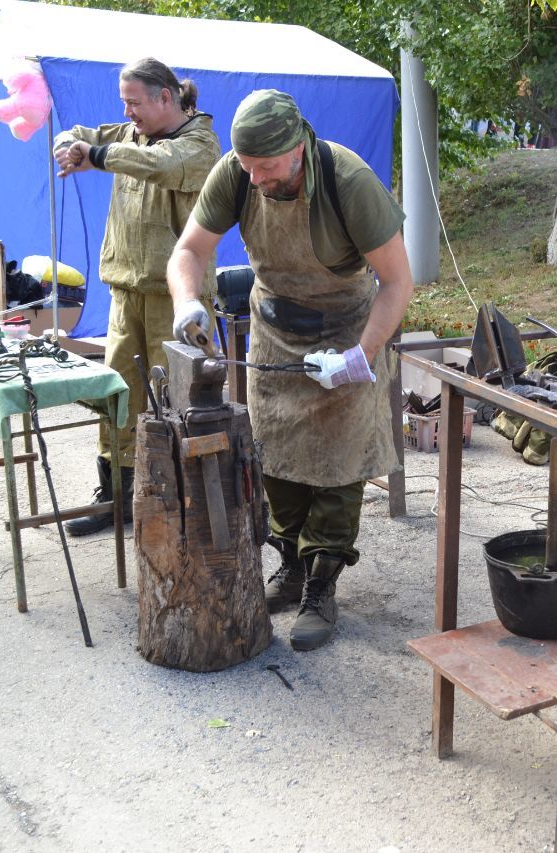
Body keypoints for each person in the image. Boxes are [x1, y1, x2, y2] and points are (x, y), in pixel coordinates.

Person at [166, 90, 413, 651]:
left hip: (346, 331)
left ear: (298, 147)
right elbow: (190, 251)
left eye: (268, 167)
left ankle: (322, 583)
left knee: (338, 462)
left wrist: (360, 356)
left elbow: (398, 282)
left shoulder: (347, 181)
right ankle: (291, 566)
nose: (255, 180)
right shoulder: (236, 171)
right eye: (248, 167)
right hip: (274, 333)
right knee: (275, 458)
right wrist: (187, 301)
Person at [53, 57, 221, 536]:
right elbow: (80, 132)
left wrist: (98, 155)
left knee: (179, 402)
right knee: (118, 397)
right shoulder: (130, 133)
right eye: (123, 103)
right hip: (125, 289)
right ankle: (116, 497)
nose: (127, 112)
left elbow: (160, 166)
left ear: (165, 97)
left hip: (176, 300)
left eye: (134, 102)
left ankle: (184, 502)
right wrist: (72, 147)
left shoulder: (199, 144)